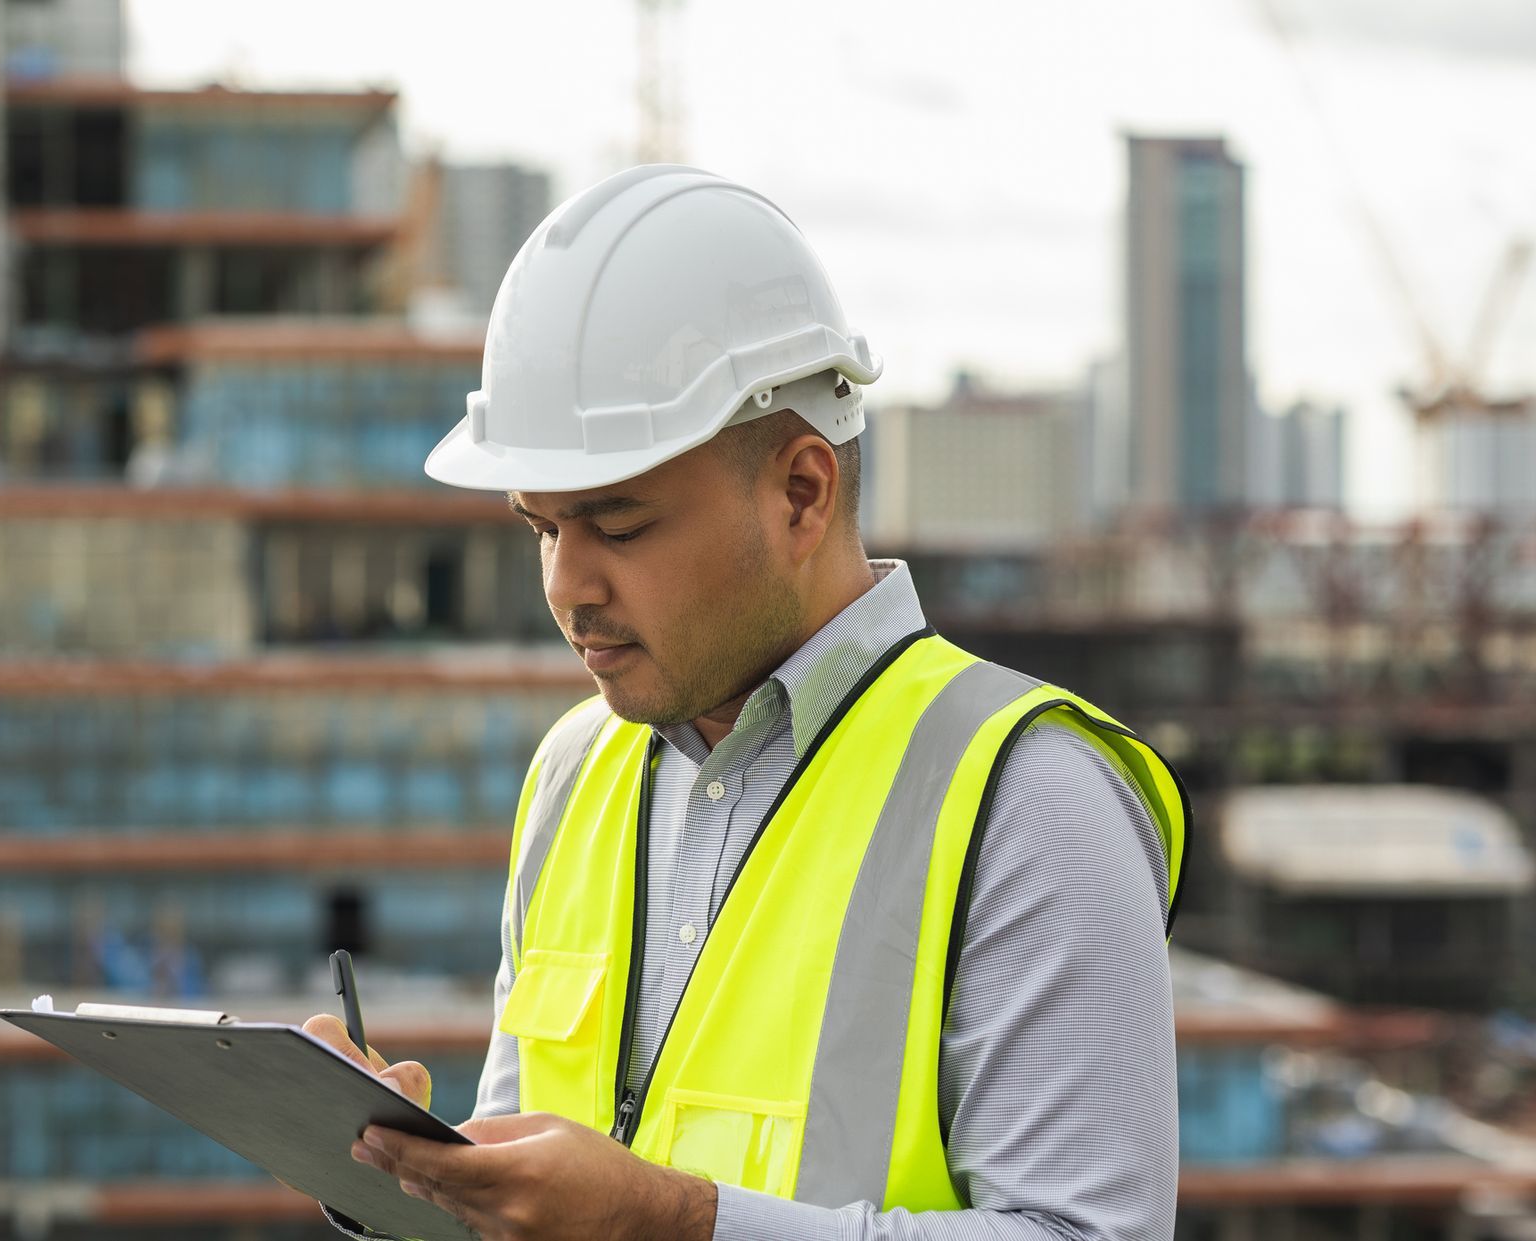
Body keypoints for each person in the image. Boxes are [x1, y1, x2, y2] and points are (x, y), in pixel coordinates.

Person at [305, 165, 1191, 1240]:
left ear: (802, 493)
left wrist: (673, 1222)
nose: (566, 586)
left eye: (617, 525)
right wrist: (408, 1174)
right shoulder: (575, 774)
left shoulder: (1029, 798)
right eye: (541, 527)